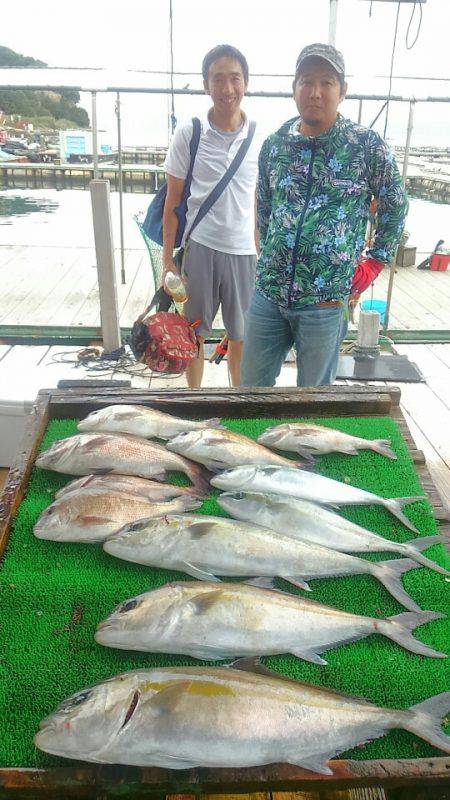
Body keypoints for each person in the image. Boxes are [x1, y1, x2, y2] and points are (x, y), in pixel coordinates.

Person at [241, 42, 408, 388]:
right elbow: (265, 207)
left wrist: (375, 261)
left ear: (342, 91)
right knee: (250, 393)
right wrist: (271, 254)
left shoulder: (366, 146)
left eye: (326, 82)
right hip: (268, 294)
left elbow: (396, 204)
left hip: (326, 300)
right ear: (294, 88)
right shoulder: (275, 145)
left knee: (314, 400)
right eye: (306, 81)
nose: (315, 92)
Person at [162, 44, 259, 388]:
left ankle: (238, 399)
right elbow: (173, 203)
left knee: (241, 335)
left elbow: (260, 205)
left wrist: (262, 252)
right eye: (218, 79)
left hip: (244, 253)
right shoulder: (190, 133)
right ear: (206, 85)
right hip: (200, 247)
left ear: (246, 83)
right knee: (194, 332)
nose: (227, 89)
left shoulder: (258, 138)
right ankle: (194, 399)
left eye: (235, 78)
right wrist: (168, 263)